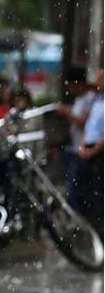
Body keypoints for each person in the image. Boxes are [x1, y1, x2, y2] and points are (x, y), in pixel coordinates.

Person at [56, 68, 95, 212]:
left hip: (82, 149)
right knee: (70, 188)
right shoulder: (78, 99)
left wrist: (67, 113)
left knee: (76, 191)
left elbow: (84, 122)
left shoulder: (90, 98)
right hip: (72, 148)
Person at [78, 68, 104, 238]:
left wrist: (94, 150)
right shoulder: (97, 101)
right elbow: (88, 126)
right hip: (88, 149)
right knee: (85, 190)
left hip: (99, 152)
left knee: (99, 192)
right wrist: (82, 146)